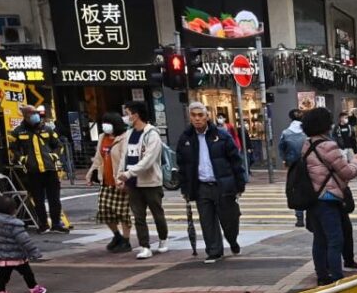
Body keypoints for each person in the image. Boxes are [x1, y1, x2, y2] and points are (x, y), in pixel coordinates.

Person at [299, 107, 357, 284]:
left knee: (320, 239)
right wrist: (356, 161)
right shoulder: (328, 146)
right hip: (328, 198)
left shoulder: (307, 145)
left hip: (314, 199)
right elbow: (347, 172)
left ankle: (322, 276)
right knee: (336, 239)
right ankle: (336, 276)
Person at [176, 102, 247, 264]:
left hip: (223, 185)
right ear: (189, 118)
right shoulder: (185, 138)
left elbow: (236, 161)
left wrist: (239, 184)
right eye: (193, 115)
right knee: (207, 221)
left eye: (200, 115)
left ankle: (232, 240)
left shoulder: (221, 135)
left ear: (207, 116)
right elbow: (182, 166)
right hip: (201, 186)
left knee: (229, 219)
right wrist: (185, 189)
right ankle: (214, 251)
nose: (197, 119)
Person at [117, 101, 168, 259]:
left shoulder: (152, 134)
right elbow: (124, 157)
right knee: (138, 216)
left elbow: (148, 160)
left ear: (136, 115)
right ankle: (145, 246)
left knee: (157, 213)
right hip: (133, 183)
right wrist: (121, 175)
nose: (126, 117)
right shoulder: (129, 134)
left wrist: (129, 173)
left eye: (128, 113)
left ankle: (163, 239)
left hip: (151, 182)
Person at [10, 105, 66, 233]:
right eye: (32, 113)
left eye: (36, 113)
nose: (35, 116)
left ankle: (56, 224)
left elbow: (58, 145)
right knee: (38, 200)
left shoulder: (47, 129)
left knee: (54, 199)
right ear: (25, 116)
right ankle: (43, 224)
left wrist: (54, 156)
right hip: (33, 171)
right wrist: (23, 159)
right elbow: (13, 149)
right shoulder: (18, 132)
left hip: (50, 169)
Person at [0, 195, 46, 293]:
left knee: (2, 276)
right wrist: (35, 252)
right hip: (17, 256)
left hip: (0, 256)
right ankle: (34, 289)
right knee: (27, 273)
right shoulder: (15, 225)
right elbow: (25, 241)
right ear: (13, 211)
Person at [85, 112, 132, 253]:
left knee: (123, 213)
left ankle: (126, 240)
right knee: (104, 211)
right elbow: (98, 158)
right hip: (105, 180)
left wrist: (125, 178)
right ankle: (116, 235)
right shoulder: (102, 138)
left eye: (108, 123)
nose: (105, 126)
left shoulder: (124, 138)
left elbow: (126, 159)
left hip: (120, 181)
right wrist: (91, 173)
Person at [279, 108, 307, 227]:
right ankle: (310, 214)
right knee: (310, 187)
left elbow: (281, 148)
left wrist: (285, 159)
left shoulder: (286, 132)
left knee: (296, 190)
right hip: (308, 163)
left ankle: (299, 217)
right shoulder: (307, 131)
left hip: (293, 165)